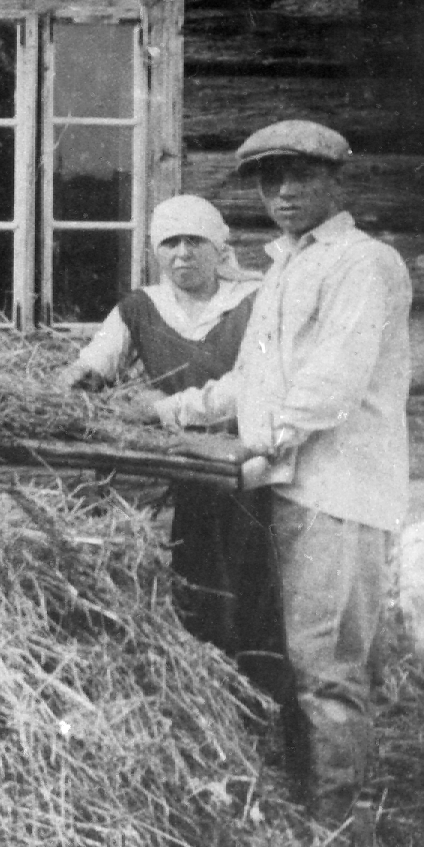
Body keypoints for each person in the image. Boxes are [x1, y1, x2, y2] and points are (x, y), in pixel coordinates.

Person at [149, 120, 412, 832]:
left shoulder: (363, 264)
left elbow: (330, 384)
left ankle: (338, 838)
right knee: (297, 658)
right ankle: (315, 811)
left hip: (338, 493)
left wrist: (258, 446)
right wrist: (176, 410)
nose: (285, 191)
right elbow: (256, 377)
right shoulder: (287, 266)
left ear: (336, 179)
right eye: (270, 179)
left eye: (300, 174)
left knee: (329, 672)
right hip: (289, 488)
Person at [57, 196, 276, 676]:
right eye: (169, 243)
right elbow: (95, 364)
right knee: (196, 578)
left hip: (250, 460)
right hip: (187, 464)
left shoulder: (256, 301)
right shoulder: (142, 308)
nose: (181, 254)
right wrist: (74, 380)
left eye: (194, 241)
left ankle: (259, 684)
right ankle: (210, 676)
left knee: (256, 580)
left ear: (218, 247)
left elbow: (261, 382)